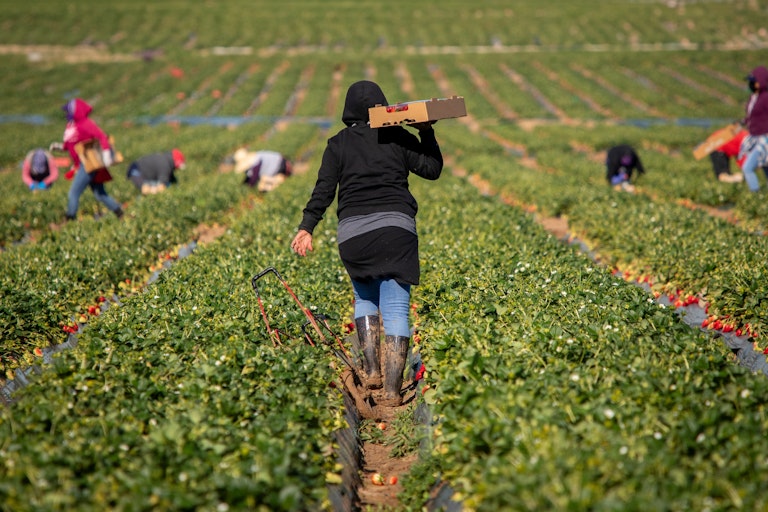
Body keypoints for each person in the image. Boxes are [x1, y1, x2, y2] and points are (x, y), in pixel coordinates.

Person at [290, 80, 443, 407]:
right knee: (397, 309)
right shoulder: (396, 135)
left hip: (354, 236)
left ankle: (371, 370)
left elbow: (324, 191)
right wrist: (426, 132)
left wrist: (307, 227)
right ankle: (391, 391)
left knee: (364, 297)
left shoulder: (337, 144)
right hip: (396, 231)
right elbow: (431, 169)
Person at [51, 98, 123, 220]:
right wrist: (60, 147)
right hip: (82, 164)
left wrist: (106, 155)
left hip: (88, 164)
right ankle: (120, 214)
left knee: (73, 193)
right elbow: (71, 143)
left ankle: (70, 219)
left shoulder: (85, 123)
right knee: (100, 194)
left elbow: (102, 137)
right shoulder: (71, 125)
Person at [739, 66, 768, 193]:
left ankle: (757, 195)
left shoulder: (766, 97)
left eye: (753, 81)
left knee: (747, 168)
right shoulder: (753, 98)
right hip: (755, 137)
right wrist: (743, 122)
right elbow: (751, 116)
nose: (751, 84)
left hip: (765, 138)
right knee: (766, 167)